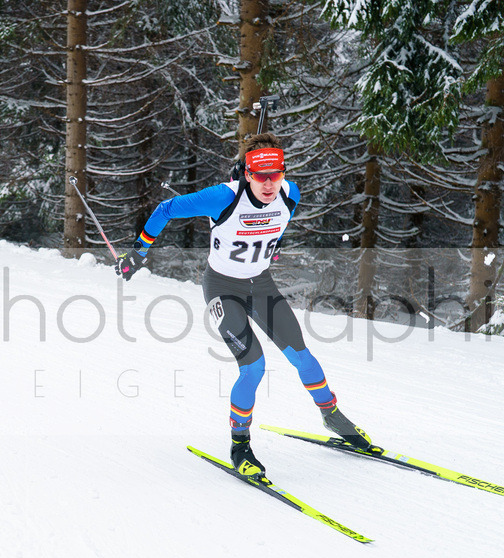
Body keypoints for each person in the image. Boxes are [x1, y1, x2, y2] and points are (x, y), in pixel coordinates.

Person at [115, 133, 371, 478]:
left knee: (303, 356)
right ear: (247, 174)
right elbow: (166, 209)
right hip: (222, 287)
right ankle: (240, 445)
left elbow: (275, 225)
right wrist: (138, 252)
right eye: (260, 176)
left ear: (283, 173)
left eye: (275, 175)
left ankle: (332, 415)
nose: (269, 184)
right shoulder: (222, 198)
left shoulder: (290, 194)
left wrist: (271, 245)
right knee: (253, 367)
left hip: (261, 284)